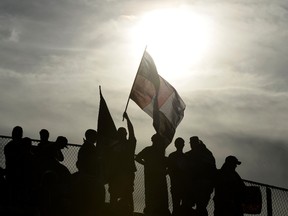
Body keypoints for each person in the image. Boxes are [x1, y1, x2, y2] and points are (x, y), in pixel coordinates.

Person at [107, 112, 137, 216]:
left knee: (127, 195)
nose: (122, 135)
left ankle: (129, 213)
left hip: (126, 174)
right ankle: (114, 212)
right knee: (116, 195)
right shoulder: (114, 146)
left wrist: (128, 119)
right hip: (116, 174)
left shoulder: (129, 144)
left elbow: (132, 131)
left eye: (123, 133)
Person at [71, 129, 105, 216]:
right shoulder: (89, 148)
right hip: (89, 177)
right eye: (95, 136)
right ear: (91, 136)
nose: (97, 138)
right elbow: (90, 163)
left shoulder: (86, 147)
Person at [135, 133, 170, 216]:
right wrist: (146, 164)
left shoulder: (159, 152)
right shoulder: (149, 150)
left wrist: (165, 171)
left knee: (159, 199)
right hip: (152, 179)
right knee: (152, 199)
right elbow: (137, 158)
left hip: (158, 180)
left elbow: (168, 164)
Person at [183, 136, 216, 216]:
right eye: (191, 143)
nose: (192, 145)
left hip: (198, 184)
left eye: (193, 143)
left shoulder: (200, 154)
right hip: (201, 185)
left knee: (198, 207)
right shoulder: (207, 154)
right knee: (199, 207)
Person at [167, 137, 186, 216]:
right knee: (181, 206)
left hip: (177, 185)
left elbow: (169, 169)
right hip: (182, 185)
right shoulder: (186, 157)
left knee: (176, 206)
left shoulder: (172, 156)